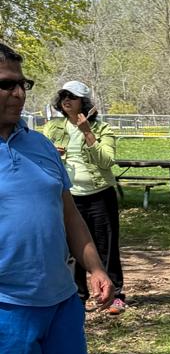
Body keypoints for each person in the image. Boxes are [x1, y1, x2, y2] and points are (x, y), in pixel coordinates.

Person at [0, 41, 113, 354]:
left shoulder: (41, 144)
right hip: (7, 310)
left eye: (21, 83)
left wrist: (93, 267)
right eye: (6, 84)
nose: (17, 92)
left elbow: (69, 212)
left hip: (60, 301)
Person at [44, 81, 126, 315]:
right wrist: (53, 154)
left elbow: (106, 161)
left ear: (84, 102)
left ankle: (115, 295)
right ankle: (78, 296)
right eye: (63, 96)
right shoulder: (53, 128)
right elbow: (43, 162)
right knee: (72, 249)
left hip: (99, 195)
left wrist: (87, 132)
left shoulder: (101, 129)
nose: (66, 100)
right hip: (70, 196)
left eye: (72, 96)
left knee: (105, 245)